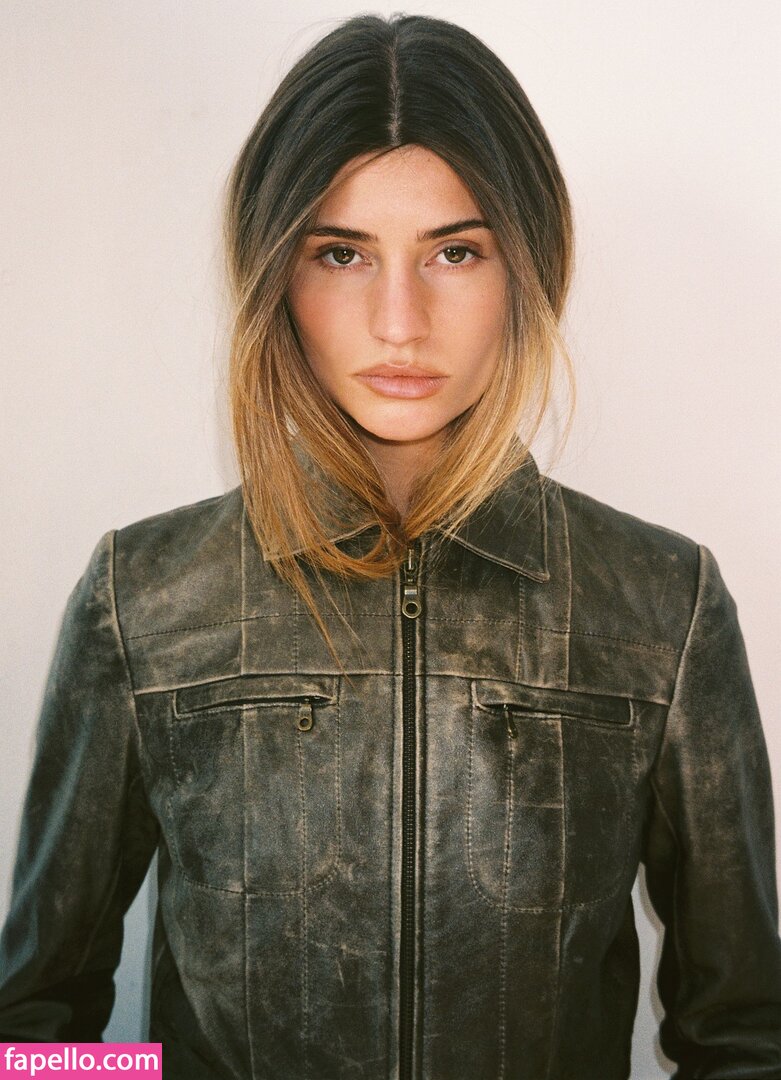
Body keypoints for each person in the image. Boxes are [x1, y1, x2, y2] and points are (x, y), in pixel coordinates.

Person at [0, 12, 779, 1080]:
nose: (399, 321)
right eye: (341, 253)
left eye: (455, 252)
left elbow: (745, 1037)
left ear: (529, 268)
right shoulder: (144, 596)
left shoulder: (661, 605)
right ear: (274, 274)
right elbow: (33, 1035)